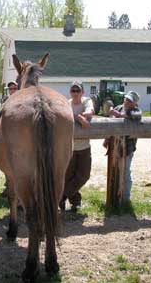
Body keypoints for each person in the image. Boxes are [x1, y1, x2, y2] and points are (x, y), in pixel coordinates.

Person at [60, 81, 94, 212]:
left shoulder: (87, 101)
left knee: (84, 175)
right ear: (70, 92)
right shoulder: (67, 103)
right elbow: (65, 117)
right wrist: (79, 118)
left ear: (82, 92)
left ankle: (61, 196)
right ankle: (75, 202)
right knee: (68, 176)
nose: (75, 93)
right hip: (69, 147)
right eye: (73, 91)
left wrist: (79, 116)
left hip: (84, 147)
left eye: (77, 90)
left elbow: (90, 112)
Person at [104, 90, 142, 202]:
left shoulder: (136, 110)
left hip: (128, 147)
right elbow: (109, 122)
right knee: (114, 170)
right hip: (115, 146)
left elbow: (137, 116)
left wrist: (119, 115)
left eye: (130, 100)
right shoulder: (118, 107)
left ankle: (126, 199)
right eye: (126, 99)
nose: (126, 101)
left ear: (135, 103)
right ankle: (115, 197)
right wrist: (106, 139)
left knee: (126, 172)